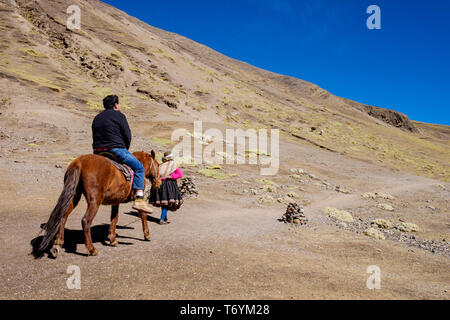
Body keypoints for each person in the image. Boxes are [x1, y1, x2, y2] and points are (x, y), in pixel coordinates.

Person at [91, 95, 153, 214]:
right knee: (139, 168)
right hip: (116, 149)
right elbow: (127, 135)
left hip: (98, 152)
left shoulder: (97, 117)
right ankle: (139, 200)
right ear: (115, 105)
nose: (119, 106)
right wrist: (125, 149)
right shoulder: (119, 115)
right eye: (118, 104)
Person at [149, 151, 183, 224]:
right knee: (166, 203)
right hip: (169, 184)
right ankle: (162, 219)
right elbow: (180, 174)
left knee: (164, 202)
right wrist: (171, 176)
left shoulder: (161, 165)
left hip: (159, 184)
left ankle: (164, 218)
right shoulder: (174, 165)